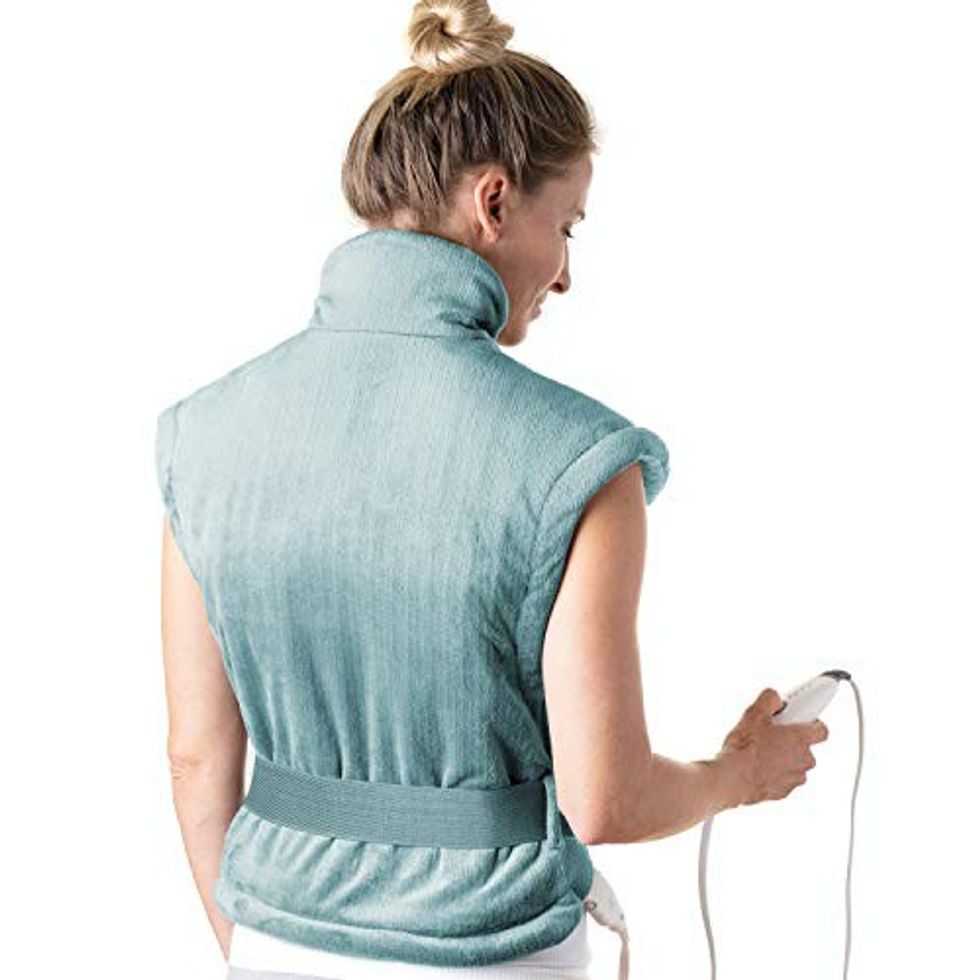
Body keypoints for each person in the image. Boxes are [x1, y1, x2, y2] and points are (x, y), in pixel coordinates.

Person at [155, 2, 830, 978]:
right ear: (495, 201)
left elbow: (195, 756)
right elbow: (605, 799)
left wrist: (256, 949)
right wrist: (739, 774)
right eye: (567, 225)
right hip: (492, 952)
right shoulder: (579, 458)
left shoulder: (203, 433)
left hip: (276, 939)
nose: (565, 274)